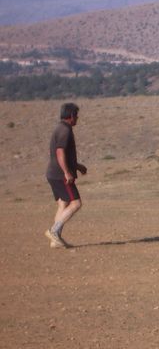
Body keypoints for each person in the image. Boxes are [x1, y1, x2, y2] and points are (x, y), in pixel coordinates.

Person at [45, 103, 88, 248]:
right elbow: (60, 152)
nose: (77, 118)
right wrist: (67, 172)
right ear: (70, 116)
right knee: (76, 203)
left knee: (63, 204)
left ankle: (55, 240)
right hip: (60, 174)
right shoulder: (65, 130)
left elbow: (65, 155)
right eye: (76, 115)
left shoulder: (61, 128)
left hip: (52, 173)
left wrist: (77, 166)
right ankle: (54, 231)